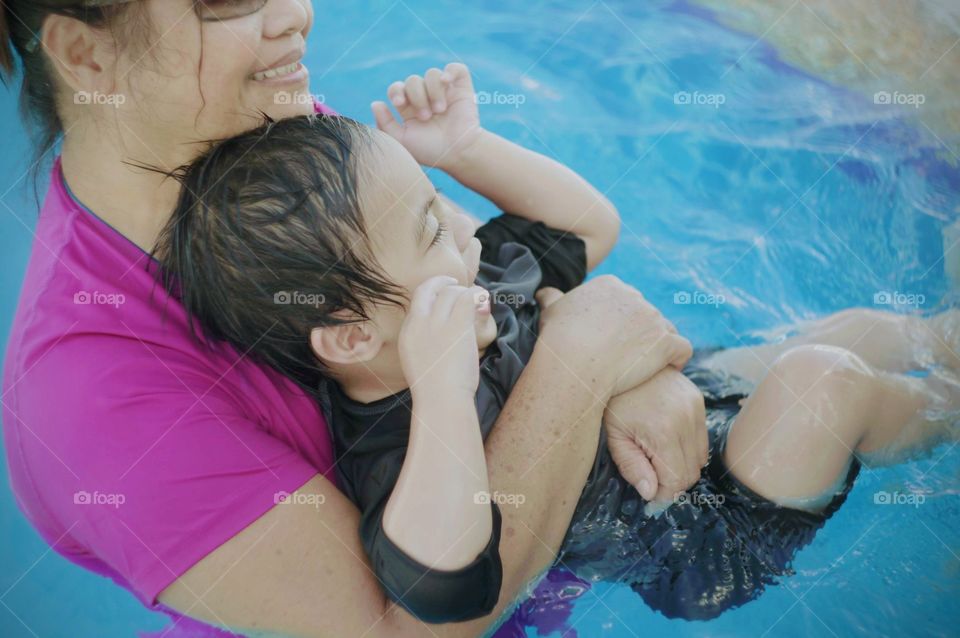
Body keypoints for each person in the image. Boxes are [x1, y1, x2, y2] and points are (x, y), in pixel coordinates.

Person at [157, 63, 960, 622]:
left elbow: (589, 228)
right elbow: (442, 586)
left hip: (700, 402)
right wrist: (440, 389)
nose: (464, 236)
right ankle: (950, 406)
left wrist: (465, 151)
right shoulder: (392, 448)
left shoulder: (472, 285)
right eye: (432, 225)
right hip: (695, 531)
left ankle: (942, 336)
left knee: (854, 330)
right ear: (355, 335)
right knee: (825, 380)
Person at [0, 2, 703, 636]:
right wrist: (585, 362)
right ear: (87, 54)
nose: (295, 15)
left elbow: (492, 278)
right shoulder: (93, 394)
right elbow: (415, 628)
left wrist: (638, 371)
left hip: (581, 535)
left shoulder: (274, 138)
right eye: (225, 2)